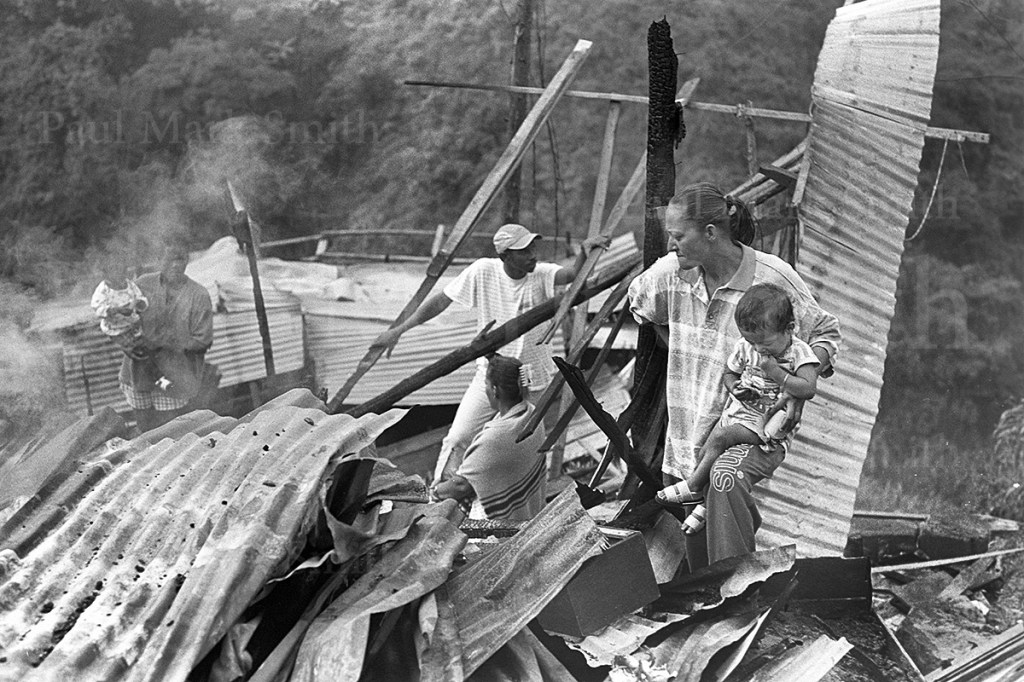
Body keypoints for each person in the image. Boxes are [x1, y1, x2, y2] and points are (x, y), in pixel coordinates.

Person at [628, 182, 841, 569]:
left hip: (752, 427)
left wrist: (795, 387)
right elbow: (639, 305)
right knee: (701, 557)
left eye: (678, 236)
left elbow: (825, 332)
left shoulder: (772, 278)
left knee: (725, 486)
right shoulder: (670, 275)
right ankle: (725, 592)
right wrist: (683, 343)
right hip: (687, 435)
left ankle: (742, 592)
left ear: (710, 233)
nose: (671, 245)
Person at [371, 223, 607, 482]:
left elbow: (572, 274)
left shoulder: (541, 274)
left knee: (524, 445)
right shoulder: (483, 270)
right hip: (492, 372)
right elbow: (442, 300)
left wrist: (584, 252)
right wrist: (400, 330)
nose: (532, 255)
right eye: (523, 251)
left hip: (532, 377)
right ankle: (439, 492)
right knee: (459, 437)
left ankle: (513, 499)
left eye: (533, 248)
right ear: (504, 255)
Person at [657, 283, 820, 534]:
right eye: (752, 342)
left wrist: (776, 373)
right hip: (737, 414)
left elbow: (808, 388)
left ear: (789, 329)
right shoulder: (747, 347)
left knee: (722, 437)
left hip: (768, 424)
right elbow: (730, 372)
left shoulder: (799, 352)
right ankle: (704, 506)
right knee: (707, 450)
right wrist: (735, 388)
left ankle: (693, 488)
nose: (758, 350)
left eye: (764, 343)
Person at [430, 354, 547, 521]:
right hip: (531, 508)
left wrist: (434, 493)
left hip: (505, 524)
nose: (485, 389)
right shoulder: (532, 414)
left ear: (494, 390)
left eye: (486, 384)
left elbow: (461, 485)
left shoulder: (494, 438)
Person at [117, 243, 214, 433]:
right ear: (159, 260)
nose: (176, 265)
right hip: (138, 372)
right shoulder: (142, 285)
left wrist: (166, 343)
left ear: (187, 260)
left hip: (173, 375)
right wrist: (127, 343)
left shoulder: (198, 295)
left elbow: (202, 341)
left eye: (181, 259)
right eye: (170, 259)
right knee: (145, 430)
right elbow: (123, 321)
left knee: (172, 431)